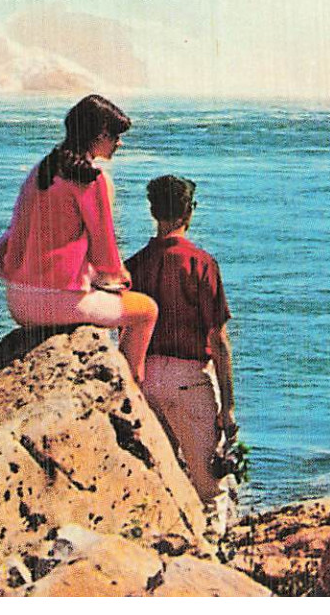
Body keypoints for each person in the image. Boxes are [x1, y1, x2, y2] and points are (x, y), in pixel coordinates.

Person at [0, 94, 158, 382]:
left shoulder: (40, 171)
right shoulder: (91, 180)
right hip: (54, 303)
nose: (119, 143)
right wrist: (120, 279)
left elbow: (10, 241)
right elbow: (105, 257)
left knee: (106, 298)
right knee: (146, 310)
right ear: (99, 135)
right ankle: (133, 388)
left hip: (18, 299)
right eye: (115, 136)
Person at [125, 174, 237, 532]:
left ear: (153, 211)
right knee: (211, 488)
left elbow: (125, 331)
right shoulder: (201, 264)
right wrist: (229, 407)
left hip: (147, 377)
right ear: (189, 211)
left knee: (166, 478)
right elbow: (218, 340)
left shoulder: (134, 265)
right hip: (190, 381)